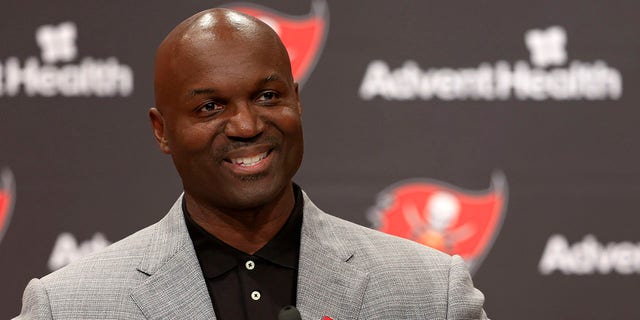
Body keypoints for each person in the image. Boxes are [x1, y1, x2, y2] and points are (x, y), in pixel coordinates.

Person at [15, 8, 488, 320]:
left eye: (267, 96)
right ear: (162, 131)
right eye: (210, 107)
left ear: (297, 102)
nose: (246, 125)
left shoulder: (430, 293)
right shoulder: (69, 306)